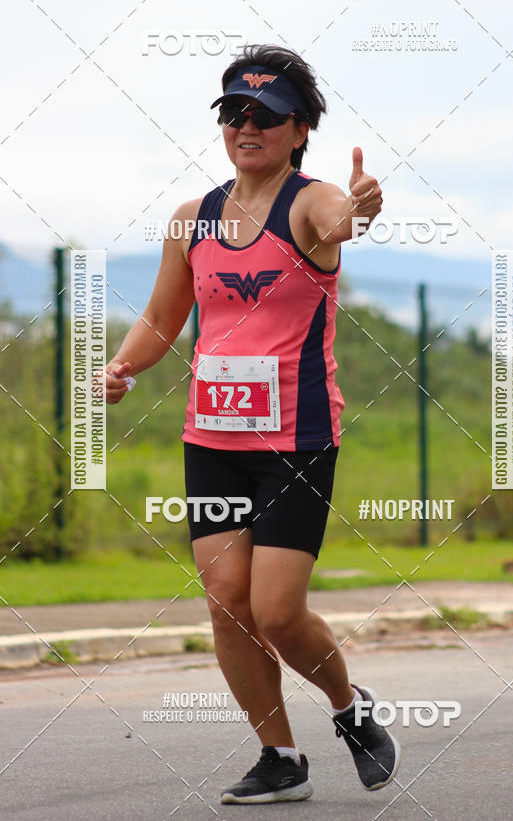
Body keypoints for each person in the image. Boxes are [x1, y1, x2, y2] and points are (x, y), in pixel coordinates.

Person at [105, 44, 400, 805]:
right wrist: (124, 366)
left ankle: (349, 709)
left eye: (265, 117)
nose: (247, 127)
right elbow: (165, 317)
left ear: (298, 131)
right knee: (226, 601)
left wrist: (360, 209)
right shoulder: (191, 220)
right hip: (211, 441)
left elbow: (340, 218)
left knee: (275, 608)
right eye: (235, 113)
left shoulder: (309, 202)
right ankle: (280, 758)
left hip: (296, 440)